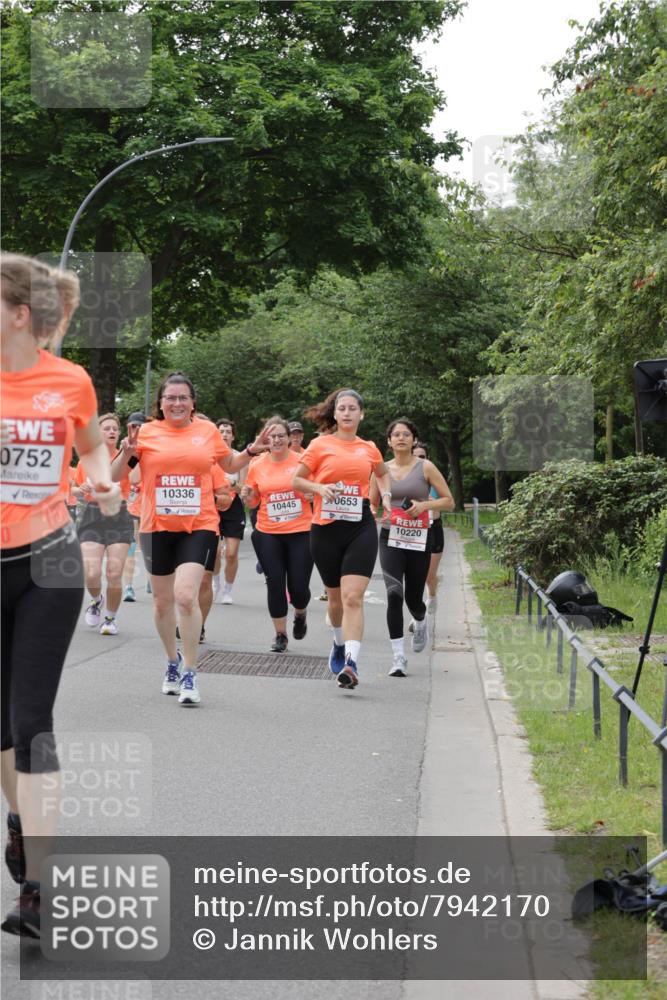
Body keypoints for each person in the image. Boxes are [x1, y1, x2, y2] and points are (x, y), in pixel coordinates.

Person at [1, 253, 120, 938]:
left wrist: (100, 477)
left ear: (18, 313)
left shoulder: (69, 381)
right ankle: (19, 821)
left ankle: (38, 892)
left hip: (47, 562)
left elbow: (89, 449)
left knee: (33, 724)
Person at [111, 372, 269, 706]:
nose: (177, 403)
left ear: (192, 402)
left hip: (200, 524)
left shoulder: (207, 431)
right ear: (161, 402)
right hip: (156, 527)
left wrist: (252, 449)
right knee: (162, 602)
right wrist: (126, 452)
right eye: (171, 398)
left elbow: (230, 463)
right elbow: (114, 475)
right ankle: (171, 660)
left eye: (183, 397)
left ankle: (190, 670)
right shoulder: (147, 433)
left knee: (186, 596)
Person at [293, 389, 391, 690]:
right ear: (334, 414)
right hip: (325, 527)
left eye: (353, 408)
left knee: (352, 597)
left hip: (359, 524)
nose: (347, 413)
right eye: (342, 408)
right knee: (335, 598)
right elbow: (297, 480)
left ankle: (351, 662)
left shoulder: (370, 448)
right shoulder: (320, 445)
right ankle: (338, 643)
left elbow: (382, 473)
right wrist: (319, 489)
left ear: (361, 414)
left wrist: (385, 495)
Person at [370, 421, 454, 677]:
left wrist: (424, 507)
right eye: (396, 434)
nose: (401, 438)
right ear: (389, 441)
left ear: (414, 440)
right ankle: (398, 657)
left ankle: (420, 619)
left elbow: (449, 501)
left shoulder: (425, 467)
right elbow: (372, 504)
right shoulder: (380, 471)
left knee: (413, 598)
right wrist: (377, 514)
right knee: (394, 594)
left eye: (406, 434)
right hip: (390, 538)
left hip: (419, 539)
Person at [242, 417, 314, 651]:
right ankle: (280, 634)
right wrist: (247, 496)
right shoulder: (257, 465)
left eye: (281, 435)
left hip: (301, 531)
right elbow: (254, 501)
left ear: (289, 438)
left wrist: (313, 495)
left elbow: (315, 490)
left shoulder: (302, 461)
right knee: (274, 582)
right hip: (268, 532)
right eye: (272, 436)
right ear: (266, 439)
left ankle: (300, 612)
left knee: (299, 587)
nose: (276, 440)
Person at [74, 413, 134, 635]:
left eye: (114, 429)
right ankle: (97, 599)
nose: (111, 431)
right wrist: (83, 490)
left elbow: (136, 478)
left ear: (119, 433)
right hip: (93, 515)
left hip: (119, 515)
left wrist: (131, 454)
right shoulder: (86, 460)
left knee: (114, 572)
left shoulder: (128, 456)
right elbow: (79, 488)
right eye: (106, 428)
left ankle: (110, 618)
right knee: (91, 572)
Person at [214, 418, 246, 604]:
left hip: (233, 506)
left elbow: (243, 487)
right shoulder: (210, 456)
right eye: (221, 431)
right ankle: (215, 582)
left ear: (233, 436)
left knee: (231, 553)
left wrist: (230, 483)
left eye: (228, 431)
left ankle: (228, 589)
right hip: (214, 503)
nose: (224, 434)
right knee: (216, 552)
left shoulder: (239, 457)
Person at [412, 441, 446, 611]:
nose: (418, 460)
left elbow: (448, 502)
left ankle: (432, 595)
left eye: (422, 457)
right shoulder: (401, 476)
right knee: (414, 576)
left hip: (433, 528)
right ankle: (418, 614)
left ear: (428, 458)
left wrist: (432, 504)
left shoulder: (433, 476)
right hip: (410, 530)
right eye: (415, 456)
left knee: (428, 576)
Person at [122, 412, 149, 603]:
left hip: (150, 507)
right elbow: (133, 478)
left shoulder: (155, 446)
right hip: (132, 506)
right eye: (133, 426)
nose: (136, 430)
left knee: (148, 548)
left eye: (140, 426)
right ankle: (129, 587)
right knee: (131, 548)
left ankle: (151, 578)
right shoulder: (127, 448)